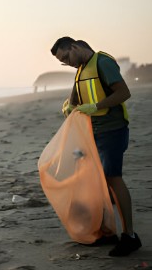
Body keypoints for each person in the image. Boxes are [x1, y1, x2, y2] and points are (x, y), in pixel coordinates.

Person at [51, 37, 141, 257]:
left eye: (66, 57)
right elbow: (75, 97)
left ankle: (130, 236)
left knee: (112, 178)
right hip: (92, 132)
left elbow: (123, 93)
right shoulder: (81, 68)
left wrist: (96, 106)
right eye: (63, 62)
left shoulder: (102, 62)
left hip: (112, 130)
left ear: (74, 47)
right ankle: (107, 232)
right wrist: (69, 106)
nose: (67, 63)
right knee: (97, 182)